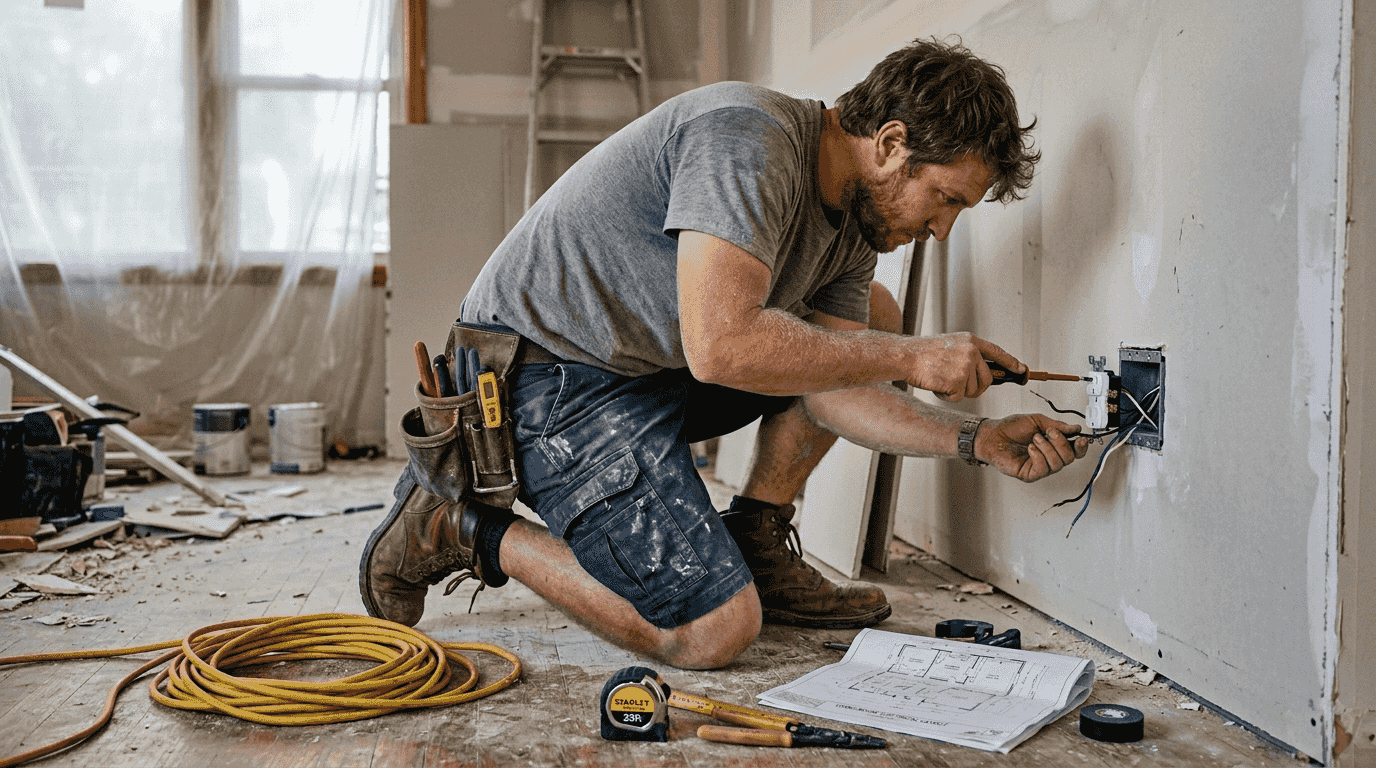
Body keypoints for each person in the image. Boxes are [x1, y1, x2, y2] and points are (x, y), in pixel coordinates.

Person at [361, 37, 1088, 670]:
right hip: (538, 376)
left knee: (871, 324)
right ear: (892, 144)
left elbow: (835, 388)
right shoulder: (748, 138)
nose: (942, 229)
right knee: (712, 630)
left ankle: (757, 539)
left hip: (641, 371)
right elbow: (723, 348)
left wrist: (977, 438)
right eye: (947, 198)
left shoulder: (851, 227)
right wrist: (909, 358)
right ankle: (459, 524)